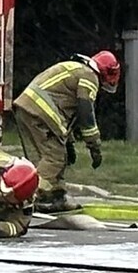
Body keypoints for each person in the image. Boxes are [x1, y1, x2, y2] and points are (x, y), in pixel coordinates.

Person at [13, 51, 119, 213]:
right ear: (106, 71)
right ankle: (26, 196)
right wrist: (94, 147)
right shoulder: (89, 76)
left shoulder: (77, 69)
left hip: (29, 108)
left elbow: (65, 111)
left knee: (57, 156)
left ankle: (55, 195)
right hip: (41, 111)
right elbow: (86, 112)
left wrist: (69, 144)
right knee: (54, 159)